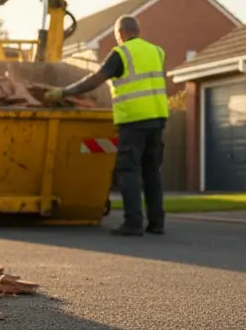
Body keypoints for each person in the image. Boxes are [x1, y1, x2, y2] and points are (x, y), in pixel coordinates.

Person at [44, 15, 168, 236]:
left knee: (129, 170)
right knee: (152, 172)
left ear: (120, 33)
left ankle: (133, 223)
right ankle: (156, 223)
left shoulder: (121, 53)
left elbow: (95, 79)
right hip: (157, 118)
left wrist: (64, 92)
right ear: (137, 31)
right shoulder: (157, 52)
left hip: (133, 120)